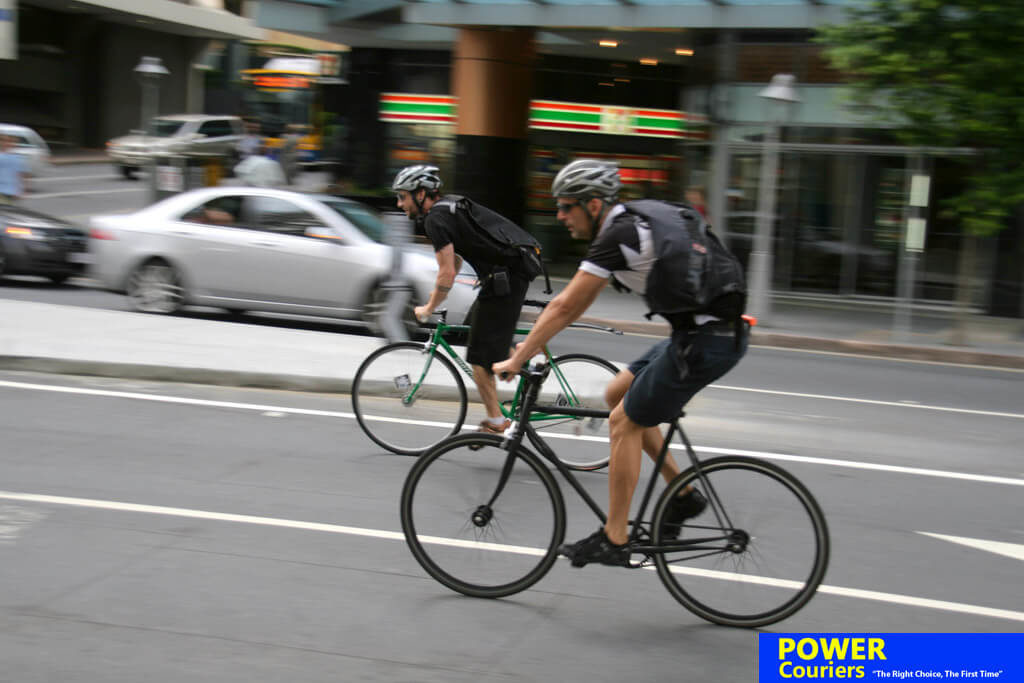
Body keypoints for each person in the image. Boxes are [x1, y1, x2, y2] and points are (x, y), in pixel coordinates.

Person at [492, 159, 748, 567]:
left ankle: (615, 537)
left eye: (566, 206)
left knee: (623, 421)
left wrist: (518, 356)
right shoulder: (633, 223)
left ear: (593, 205)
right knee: (617, 393)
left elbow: (566, 305)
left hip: (707, 341)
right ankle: (682, 494)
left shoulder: (619, 234)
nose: (559, 216)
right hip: (701, 334)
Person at [393, 164, 532, 435]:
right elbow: (453, 264)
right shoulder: (447, 208)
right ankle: (526, 363)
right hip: (507, 274)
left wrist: (429, 308)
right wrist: (441, 292)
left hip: (505, 278)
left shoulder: (435, 219)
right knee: (479, 335)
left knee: (479, 359)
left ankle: (496, 422)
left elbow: (446, 274)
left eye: (402, 196)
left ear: (420, 194)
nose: (399, 204)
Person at [0, 134, 28, 203]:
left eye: (8, 141)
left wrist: (21, 190)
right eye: (3, 141)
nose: (5, 143)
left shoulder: (17, 158)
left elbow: (21, 175)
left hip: (9, 191)